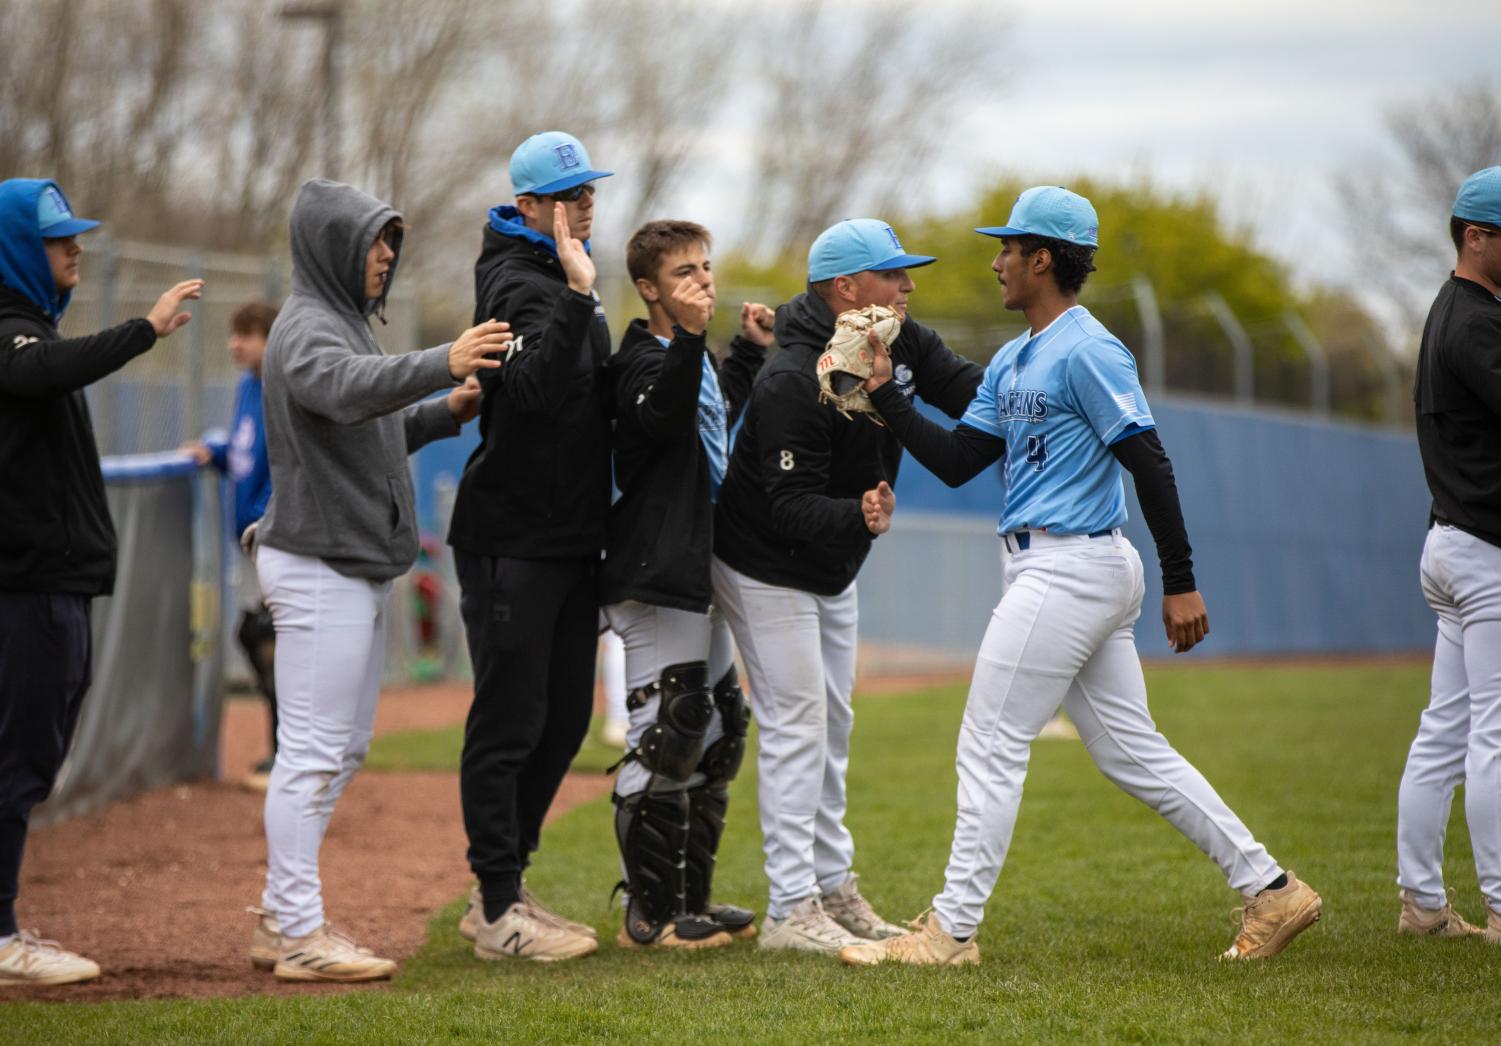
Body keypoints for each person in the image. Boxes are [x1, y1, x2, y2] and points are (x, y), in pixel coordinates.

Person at [837, 186, 1322, 967]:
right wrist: (888, 394)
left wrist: (1182, 578)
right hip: (1060, 566)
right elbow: (962, 462)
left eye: (1007, 249)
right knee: (1131, 751)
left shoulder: (1089, 348)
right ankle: (1270, 888)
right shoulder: (1015, 354)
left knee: (989, 742)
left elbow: (1148, 460)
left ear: (1041, 258)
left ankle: (951, 933)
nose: (995, 261)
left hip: (1071, 564)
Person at [249, 178, 511, 983]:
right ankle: (295, 928)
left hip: (348, 563)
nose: (386, 254)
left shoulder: (347, 324)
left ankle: (279, 916)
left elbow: (368, 427)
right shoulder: (306, 327)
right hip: (317, 563)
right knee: (313, 752)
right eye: (372, 240)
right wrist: (441, 361)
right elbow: (339, 389)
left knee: (342, 746)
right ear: (333, 247)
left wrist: (445, 409)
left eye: (390, 240)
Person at [711, 218, 983, 954]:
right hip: (765, 562)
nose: (908, 285)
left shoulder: (897, 335)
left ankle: (830, 887)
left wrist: (1039, 394)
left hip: (833, 561)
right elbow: (786, 507)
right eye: (892, 274)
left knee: (834, 726)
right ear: (845, 290)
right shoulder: (789, 377)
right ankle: (789, 910)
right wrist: (856, 511)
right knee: (798, 726)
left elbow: (971, 395)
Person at [0, 178, 203, 986]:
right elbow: (42, 368)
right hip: (26, 586)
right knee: (18, 760)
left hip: (47, 582)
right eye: (57, 240)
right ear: (19, 250)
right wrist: (144, 330)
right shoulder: (11, 333)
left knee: (27, 759)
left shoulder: (28, 331)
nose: (74, 247)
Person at [448, 131, 613, 963]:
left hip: (569, 536)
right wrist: (581, 297)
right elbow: (541, 395)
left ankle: (502, 887)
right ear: (528, 208)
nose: (586, 204)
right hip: (510, 535)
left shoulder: (561, 277)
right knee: (510, 721)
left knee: (564, 721)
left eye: (589, 191)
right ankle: (496, 904)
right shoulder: (515, 281)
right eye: (569, 194)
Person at [601, 219, 772, 950]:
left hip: (701, 567)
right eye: (682, 273)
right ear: (648, 290)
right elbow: (663, 415)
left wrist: (746, 355)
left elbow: (714, 420)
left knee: (719, 730)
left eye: (705, 267)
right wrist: (699, 341)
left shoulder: (690, 356)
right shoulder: (641, 358)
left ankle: (691, 900)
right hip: (654, 573)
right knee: (666, 731)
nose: (702, 281)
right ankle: (652, 912)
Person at [1397, 165, 1501, 944]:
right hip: (1483, 549)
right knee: (1489, 734)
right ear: (1475, 235)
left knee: (1446, 729)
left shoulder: (1455, 311)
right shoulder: (1472, 323)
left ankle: (1423, 904)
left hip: (1451, 540)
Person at [183, 300, 280, 792]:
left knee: (269, 640)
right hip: (245, 543)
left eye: (248, 334)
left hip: (272, 538)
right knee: (254, 636)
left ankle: (286, 750)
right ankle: (283, 750)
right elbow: (244, 452)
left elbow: (284, 462)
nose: (235, 344)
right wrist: (214, 451)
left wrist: (271, 520)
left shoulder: (281, 387)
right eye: (235, 334)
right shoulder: (247, 386)